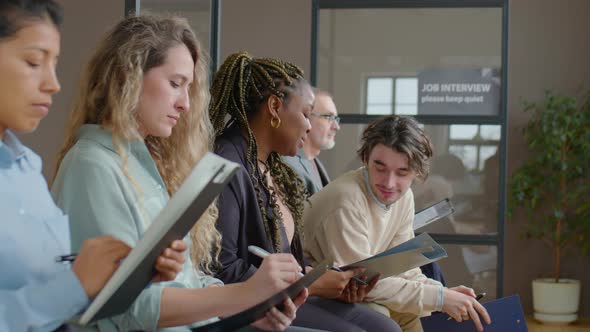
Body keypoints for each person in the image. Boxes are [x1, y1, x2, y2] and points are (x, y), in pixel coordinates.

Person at [51, 15, 310, 332]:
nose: (186, 104)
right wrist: (244, 296)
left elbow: (184, 280)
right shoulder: (92, 166)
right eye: (175, 84)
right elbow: (130, 309)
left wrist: (248, 309)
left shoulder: (146, 165)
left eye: (189, 88)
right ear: (128, 77)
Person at [0, 2, 187, 331]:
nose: (53, 84)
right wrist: (73, 285)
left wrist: (132, 277)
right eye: (33, 61)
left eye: (53, 64)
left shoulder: (26, 169)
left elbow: (54, 295)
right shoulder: (90, 161)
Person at [210, 51, 402, 332]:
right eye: (306, 114)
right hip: (251, 306)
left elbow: (285, 258)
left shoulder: (273, 167)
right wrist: (305, 285)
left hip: (285, 296)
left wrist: (321, 280)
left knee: (386, 328)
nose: (310, 125)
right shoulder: (228, 165)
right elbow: (223, 269)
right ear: (275, 107)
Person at [303, 115, 492, 332]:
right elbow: (361, 284)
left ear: (417, 172)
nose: (389, 183)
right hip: (316, 294)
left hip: (357, 290)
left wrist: (441, 292)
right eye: (379, 167)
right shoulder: (346, 201)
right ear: (366, 158)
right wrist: (439, 298)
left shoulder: (404, 198)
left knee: (420, 314)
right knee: (383, 315)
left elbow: (402, 268)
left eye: (402, 172)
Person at [282, 88, 339, 196]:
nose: (336, 127)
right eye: (329, 117)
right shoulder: (288, 165)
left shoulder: (315, 162)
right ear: (306, 116)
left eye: (336, 118)